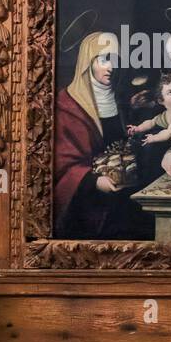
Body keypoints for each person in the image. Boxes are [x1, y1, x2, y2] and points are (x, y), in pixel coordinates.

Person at [54, 31, 148, 239]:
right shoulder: (67, 105)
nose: (111, 67)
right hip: (90, 206)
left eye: (114, 59)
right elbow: (61, 164)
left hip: (126, 193)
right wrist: (94, 182)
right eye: (104, 59)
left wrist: (133, 112)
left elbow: (119, 139)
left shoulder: (119, 97)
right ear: (88, 61)